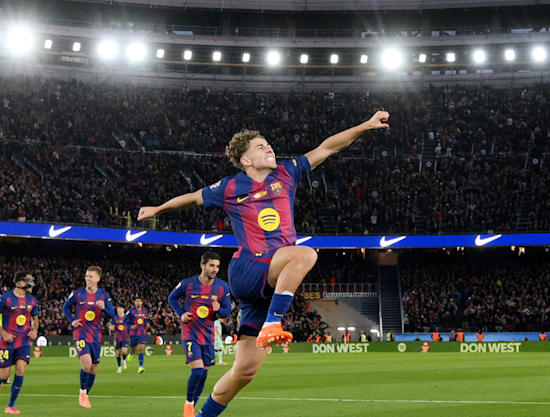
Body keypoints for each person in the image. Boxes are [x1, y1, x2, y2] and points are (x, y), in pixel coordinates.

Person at [138, 110, 390, 417]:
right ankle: (274, 322)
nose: (269, 148)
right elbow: (192, 198)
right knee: (306, 253)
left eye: (268, 144)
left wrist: (365, 125)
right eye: (260, 147)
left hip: (268, 283)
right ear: (245, 160)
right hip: (248, 269)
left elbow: (328, 147)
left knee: (244, 372)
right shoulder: (230, 187)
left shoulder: (286, 174)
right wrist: (158, 209)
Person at [168, 251, 232, 417]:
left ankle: (192, 407)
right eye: (212, 265)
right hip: (191, 333)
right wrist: (181, 313)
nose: (215, 269)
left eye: (217, 266)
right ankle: (188, 405)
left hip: (208, 335)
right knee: (197, 371)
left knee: (203, 374)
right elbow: (172, 298)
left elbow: (226, 311)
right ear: (203, 265)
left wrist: (219, 311)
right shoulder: (188, 284)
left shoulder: (222, 287)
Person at [62, 266, 115, 409]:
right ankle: (82, 392)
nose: (88, 279)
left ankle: (85, 394)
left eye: (91, 276)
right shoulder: (78, 294)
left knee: (93, 368)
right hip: (81, 334)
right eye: (86, 276)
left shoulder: (104, 295)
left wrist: (104, 307)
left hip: (96, 336)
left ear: (98, 278)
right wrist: (72, 320)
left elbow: (113, 314)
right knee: (86, 365)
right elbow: (65, 308)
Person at [0, 273, 40, 415]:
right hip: (8, 341)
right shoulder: (5, 298)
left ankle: (10, 405)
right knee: (5, 375)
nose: (32, 283)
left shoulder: (33, 300)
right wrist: (3, 333)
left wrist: (35, 330)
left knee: (20, 370)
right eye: (29, 280)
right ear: (20, 282)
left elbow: (35, 319)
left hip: (24, 341)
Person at [126, 297, 149, 373]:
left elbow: (146, 320)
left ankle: (140, 367)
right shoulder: (131, 311)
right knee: (133, 349)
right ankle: (131, 353)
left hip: (142, 333)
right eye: (136, 301)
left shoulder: (144, 311)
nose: (138, 303)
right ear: (135, 303)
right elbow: (125, 321)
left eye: (139, 301)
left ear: (142, 303)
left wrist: (147, 326)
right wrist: (130, 326)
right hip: (133, 333)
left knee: (141, 349)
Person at [108, 306, 130, 373]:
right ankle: (119, 367)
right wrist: (111, 328)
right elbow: (111, 326)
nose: (119, 310)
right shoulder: (114, 317)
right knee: (118, 353)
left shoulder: (127, 317)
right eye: (118, 308)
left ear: (123, 309)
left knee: (124, 351)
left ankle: (124, 360)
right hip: (117, 337)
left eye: (120, 308)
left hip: (125, 336)